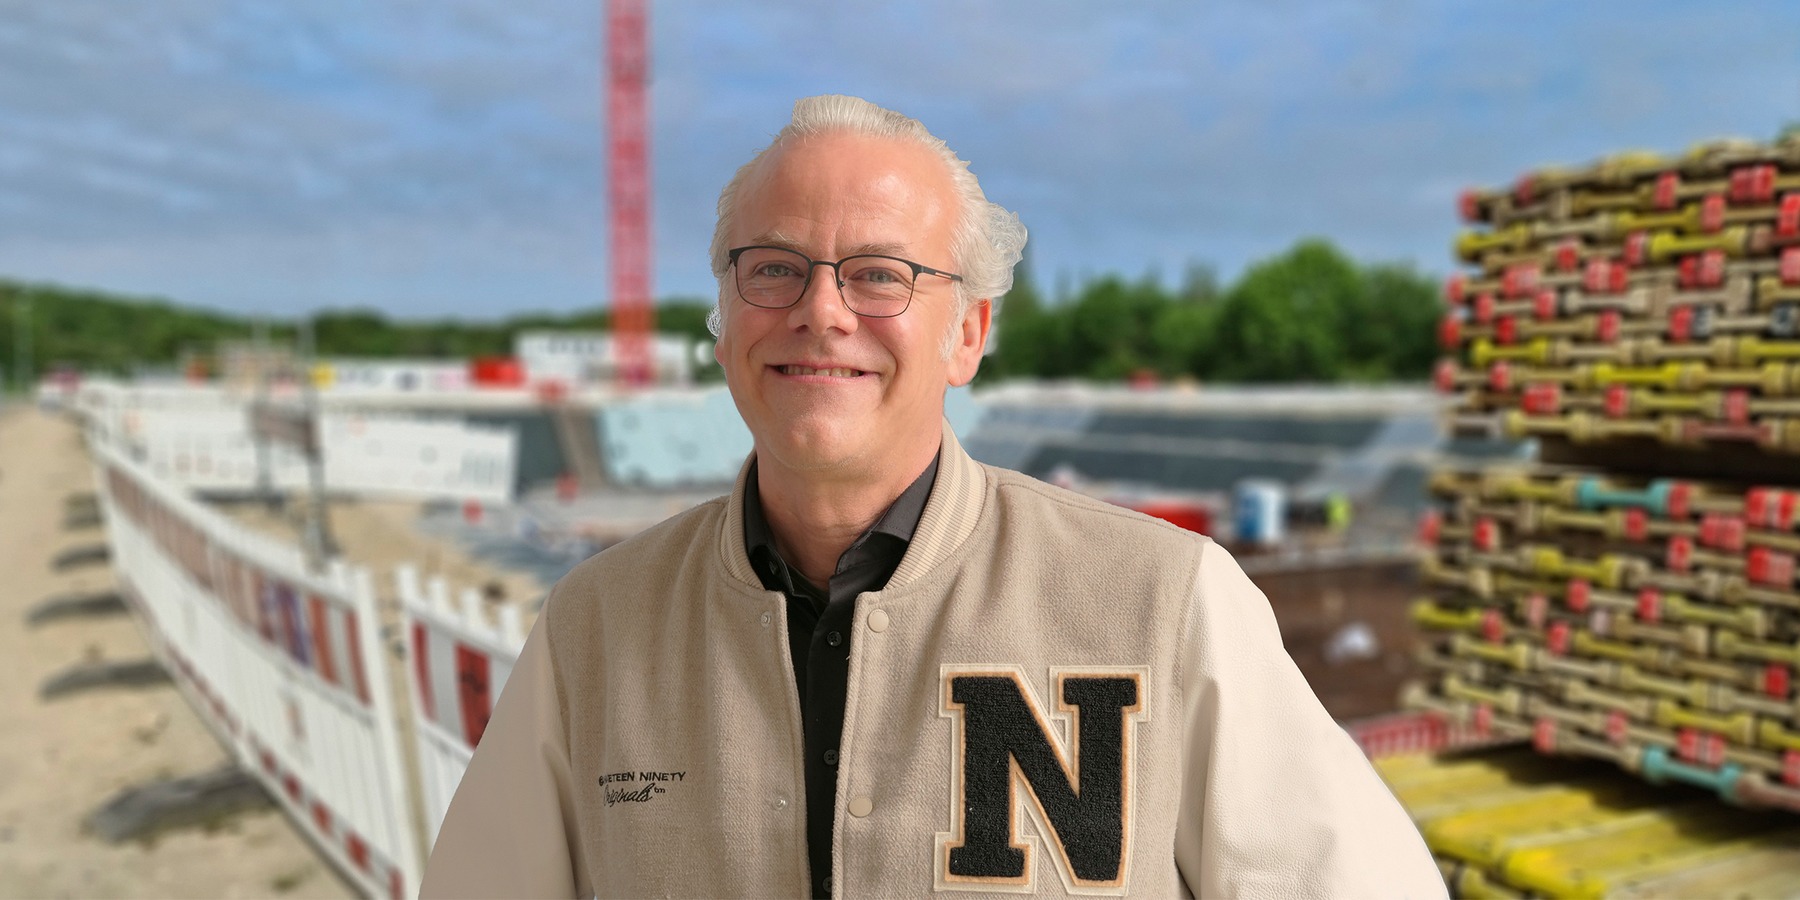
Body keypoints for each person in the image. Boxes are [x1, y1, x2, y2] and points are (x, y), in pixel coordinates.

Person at [420, 94, 1445, 899]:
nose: (821, 312)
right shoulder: (594, 630)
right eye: (773, 269)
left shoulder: (1165, 603)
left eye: (880, 275)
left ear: (968, 334)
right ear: (726, 325)